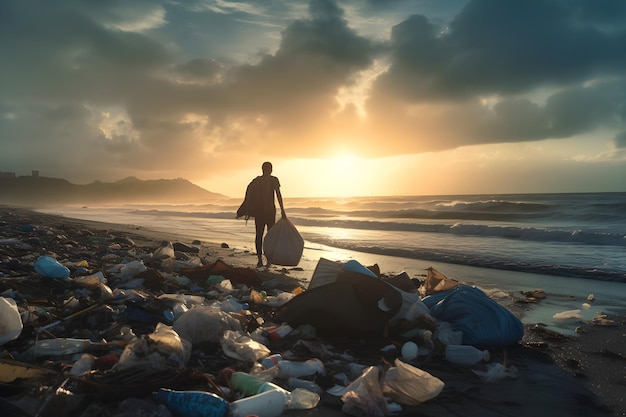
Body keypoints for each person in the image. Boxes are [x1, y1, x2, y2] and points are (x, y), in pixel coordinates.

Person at [251, 161, 286, 267]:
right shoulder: (274, 180)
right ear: (271, 169)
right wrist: (282, 210)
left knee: (259, 235)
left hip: (259, 212)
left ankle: (259, 260)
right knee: (270, 236)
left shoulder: (257, 181)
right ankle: (269, 259)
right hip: (270, 212)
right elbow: (278, 195)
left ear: (262, 169)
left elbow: (250, 197)